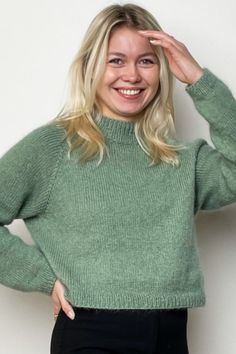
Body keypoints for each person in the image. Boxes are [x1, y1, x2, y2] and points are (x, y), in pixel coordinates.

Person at [0, 3, 235, 354]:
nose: (132, 75)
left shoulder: (180, 159)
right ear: (90, 67)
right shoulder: (54, 148)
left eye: (146, 60)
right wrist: (42, 277)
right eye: (116, 61)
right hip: (91, 332)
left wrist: (199, 80)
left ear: (163, 69)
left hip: (169, 332)